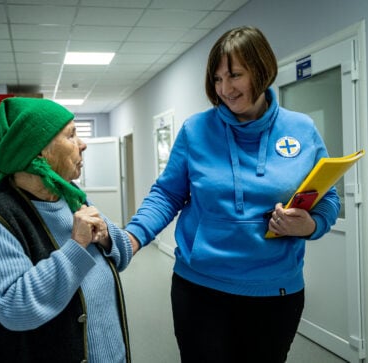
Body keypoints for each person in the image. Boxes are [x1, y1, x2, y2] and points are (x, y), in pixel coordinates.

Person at [125, 26, 341, 362]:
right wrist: (133, 237)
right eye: (216, 79)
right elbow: (167, 194)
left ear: (262, 69)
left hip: (275, 291)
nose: (225, 89)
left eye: (235, 75)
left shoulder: (301, 130)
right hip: (199, 289)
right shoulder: (196, 130)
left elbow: (328, 197)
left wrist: (311, 226)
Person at [0, 97, 135, 363]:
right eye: (71, 135)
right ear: (38, 151)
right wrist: (76, 246)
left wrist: (107, 236)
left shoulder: (70, 196)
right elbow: (14, 306)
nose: (83, 144)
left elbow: (122, 254)